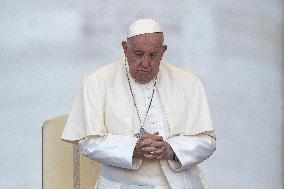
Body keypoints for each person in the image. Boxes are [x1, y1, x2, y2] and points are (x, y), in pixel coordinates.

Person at [61, 18, 216, 189]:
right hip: (121, 184)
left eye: (153, 55)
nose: (145, 63)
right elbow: (87, 142)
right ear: (125, 49)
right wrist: (133, 148)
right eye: (139, 54)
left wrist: (171, 149)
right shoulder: (96, 82)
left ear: (163, 51)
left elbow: (207, 141)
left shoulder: (189, 82)